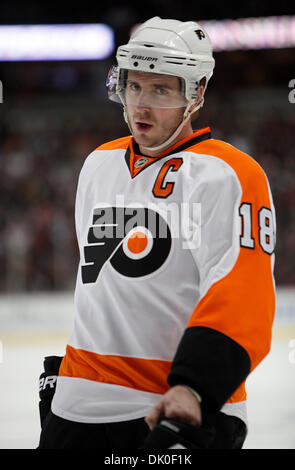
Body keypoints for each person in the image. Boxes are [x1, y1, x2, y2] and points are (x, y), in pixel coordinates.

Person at [38, 16, 276, 449]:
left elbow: (242, 293)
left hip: (171, 407)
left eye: (161, 90)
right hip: (77, 408)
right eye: (134, 87)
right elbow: (101, 286)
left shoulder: (230, 173)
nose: (141, 106)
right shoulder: (98, 163)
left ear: (196, 93)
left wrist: (195, 387)